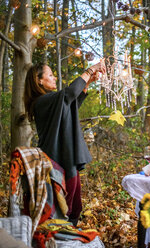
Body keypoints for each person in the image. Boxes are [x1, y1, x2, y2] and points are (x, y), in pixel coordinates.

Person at [23, 60, 106, 225]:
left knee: (74, 204)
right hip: (55, 160)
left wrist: (87, 83)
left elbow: (70, 103)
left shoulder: (52, 100)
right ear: (39, 80)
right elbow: (68, 94)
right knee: (63, 207)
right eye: (50, 75)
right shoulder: (41, 102)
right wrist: (89, 70)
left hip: (65, 155)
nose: (54, 78)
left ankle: (69, 234)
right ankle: (62, 236)